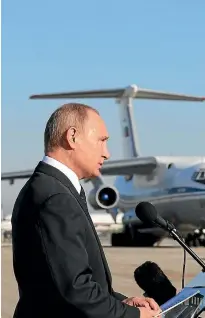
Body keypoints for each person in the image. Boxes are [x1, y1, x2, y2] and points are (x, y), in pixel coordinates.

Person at [11, 103, 161, 318]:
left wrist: (122, 303)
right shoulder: (56, 198)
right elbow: (76, 290)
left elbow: (64, 283)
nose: (107, 153)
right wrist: (134, 316)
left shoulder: (50, 187)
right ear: (72, 137)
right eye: (102, 141)